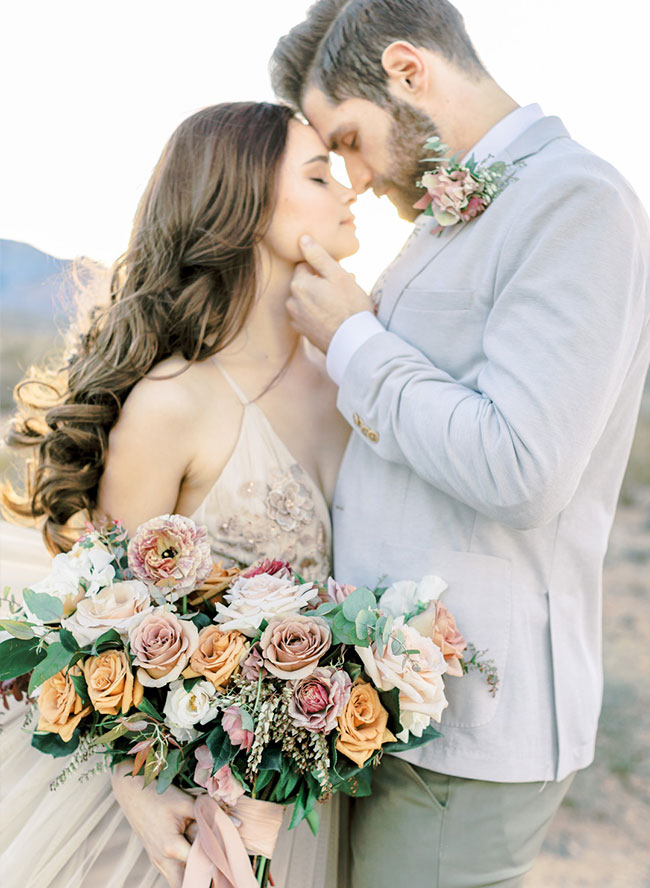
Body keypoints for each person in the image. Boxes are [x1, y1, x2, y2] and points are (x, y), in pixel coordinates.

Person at [270, 1, 650, 886]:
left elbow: (522, 467)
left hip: (470, 733)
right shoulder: (449, 217)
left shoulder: (573, 200)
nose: (353, 178)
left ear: (408, 70)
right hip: (395, 710)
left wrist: (357, 339)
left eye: (352, 140)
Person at [0, 101, 357, 888]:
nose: (351, 189)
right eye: (320, 175)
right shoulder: (174, 401)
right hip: (168, 799)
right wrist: (134, 787)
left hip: (298, 789)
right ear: (249, 203)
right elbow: (104, 621)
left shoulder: (355, 376)